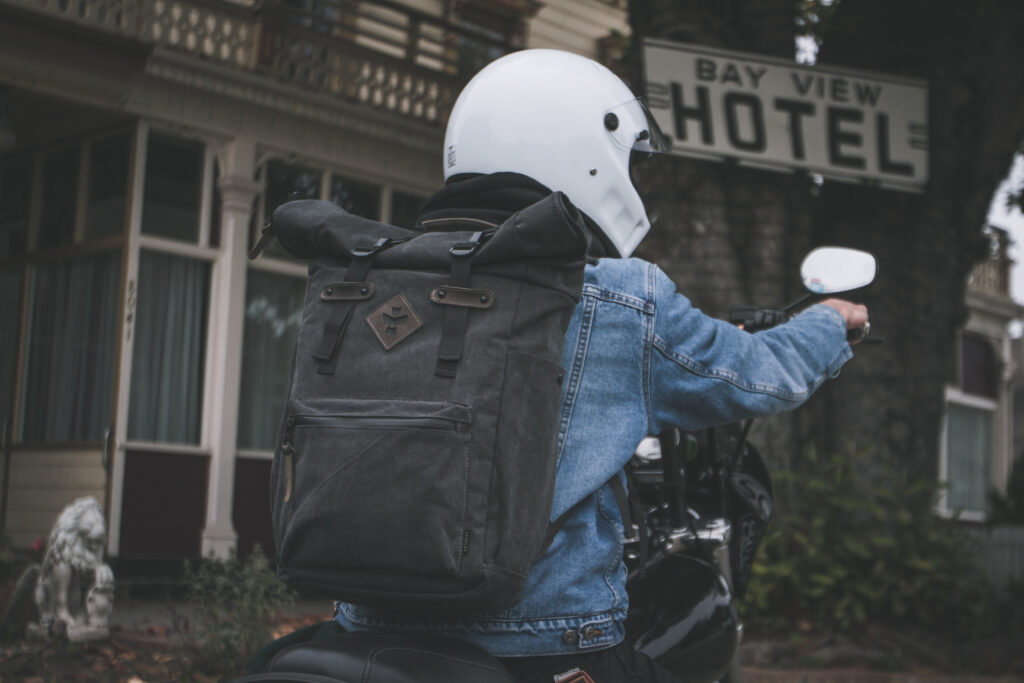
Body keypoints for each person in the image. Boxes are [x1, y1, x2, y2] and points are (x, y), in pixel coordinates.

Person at [328, 49, 868, 682]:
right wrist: (831, 320)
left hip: (366, 626)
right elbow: (758, 373)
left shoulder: (370, 281)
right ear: (584, 149)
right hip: (545, 640)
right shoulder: (617, 296)